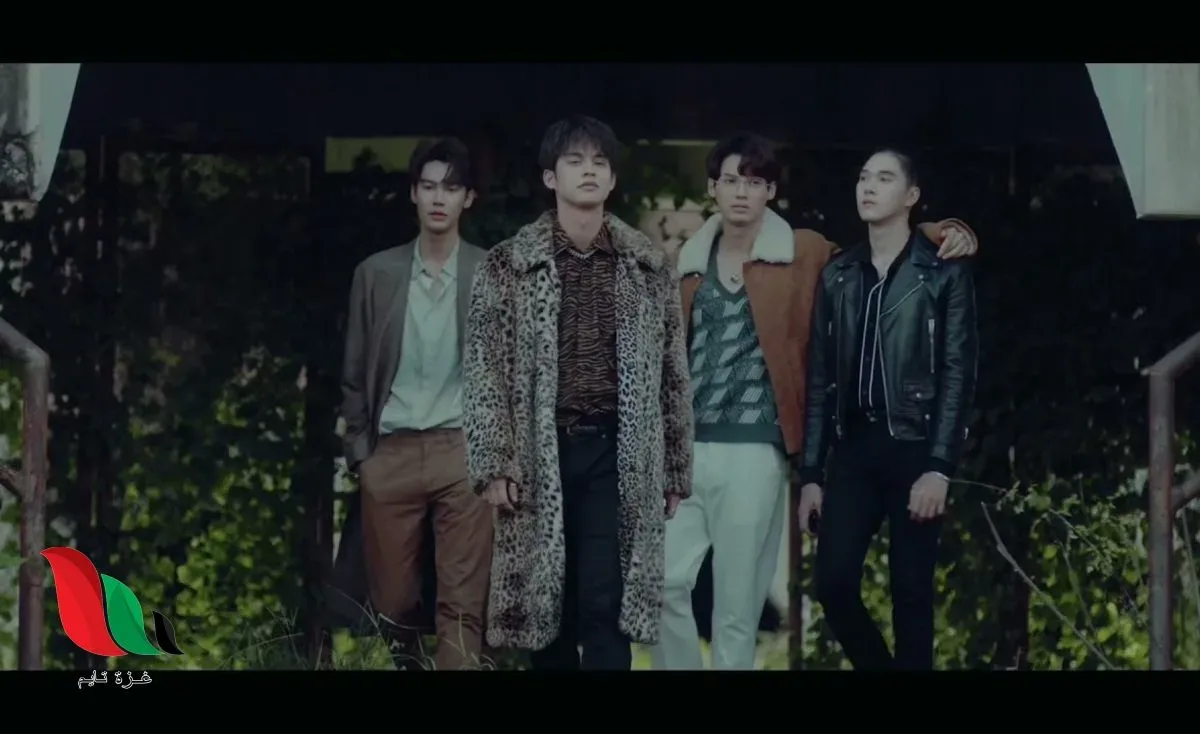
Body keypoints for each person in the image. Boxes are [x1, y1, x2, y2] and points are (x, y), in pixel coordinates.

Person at [649, 133, 980, 670]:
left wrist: (942, 230)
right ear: (712, 188)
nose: (740, 192)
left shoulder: (806, 253)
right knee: (664, 584)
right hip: (710, 450)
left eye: (753, 181)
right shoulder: (690, 264)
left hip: (789, 448)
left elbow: (900, 265)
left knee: (747, 609)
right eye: (730, 180)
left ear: (770, 191)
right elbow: (671, 365)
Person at [463, 115, 692, 670]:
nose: (588, 171)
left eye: (599, 163)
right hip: (539, 453)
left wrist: (675, 467)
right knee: (548, 609)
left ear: (612, 179)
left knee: (604, 601)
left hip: (618, 453)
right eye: (574, 161)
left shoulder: (647, 266)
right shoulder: (507, 265)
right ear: (550, 177)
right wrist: (494, 462)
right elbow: (483, 370)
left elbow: (672, 372)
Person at [797, 148, 979, 670]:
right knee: (832, 585)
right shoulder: (838, 275)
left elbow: (958, 373)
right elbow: (821, 379)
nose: (869, 187)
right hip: (853, 450)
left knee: (911, 592)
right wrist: (811, 474)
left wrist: (939, 468)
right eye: (863, 178)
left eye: (883, 178)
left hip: (915, 447)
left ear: (911, 196)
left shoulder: (942, 272)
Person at [338, 138, 493, 670]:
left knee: (462, 603)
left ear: (468, 198)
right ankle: (408, 661)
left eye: (450, 188)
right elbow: (355, 369)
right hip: (392, 451)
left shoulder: (490, 273)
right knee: (394, 602)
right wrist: (361, 455)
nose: (438, 198)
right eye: (428, 187)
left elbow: (510, 372)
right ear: (413, 193)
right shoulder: (376, 274)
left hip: (462, 450)